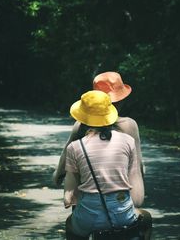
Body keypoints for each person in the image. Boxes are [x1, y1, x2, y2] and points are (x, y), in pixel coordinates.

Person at [64, 90, 151, 239]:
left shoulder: (75, 147)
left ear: (82, 117)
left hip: (88, 217)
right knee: (147, 218)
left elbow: (69, 197)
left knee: (70, 223)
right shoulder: (128, 141)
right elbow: (135, 187)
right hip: (122, 212)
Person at [53, 72, 145, 206]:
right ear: (121, 101)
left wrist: (57, 178)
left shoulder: (80, 125)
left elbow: (64, 161)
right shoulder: (129, 125)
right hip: (122, 202)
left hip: (87, 203)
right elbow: (138, 165)